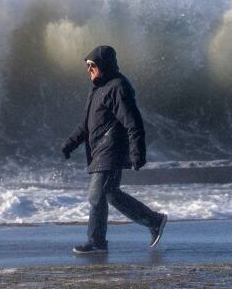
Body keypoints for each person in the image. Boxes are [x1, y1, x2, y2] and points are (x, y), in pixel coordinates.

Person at [62, 45, 167, 254]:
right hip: (99, 151)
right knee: (110, 194)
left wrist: (138, 153)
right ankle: (154, 220)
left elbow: (133, 122)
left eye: (92, 65)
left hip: (111, 149)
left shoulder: (118, 87)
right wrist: (70, 143)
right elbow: (86, 125)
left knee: (97, 195)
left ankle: (97, 241)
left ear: (104, 65)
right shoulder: (97, 90)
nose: (89, 70)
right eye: (87, 66)